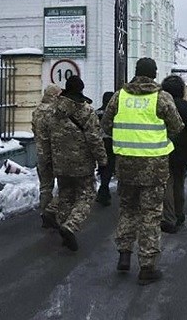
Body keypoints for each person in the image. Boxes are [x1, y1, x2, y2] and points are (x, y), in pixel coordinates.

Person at [100, 57, 184, 285]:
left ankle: (124, 254)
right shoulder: (162, 97)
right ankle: (147, 266)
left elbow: (105, 124)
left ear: (136, 72)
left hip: (126, 165)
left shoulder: (120, 96)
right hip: (154, 167)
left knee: (127, 209)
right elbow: (177, 127)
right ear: (154, 74)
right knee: (150, 214)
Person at [48, 77, 107, 252]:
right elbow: (94, 139)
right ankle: (70, 226)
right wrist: (102, 160)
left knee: (65, 194)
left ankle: (64, 226)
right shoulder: (86, 111)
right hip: (81, 164)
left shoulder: (53, 109)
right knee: (87, 195)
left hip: (60, 162)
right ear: (81, 89)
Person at [160, 75, 187, 231]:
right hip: (182, 151)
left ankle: (168, 218)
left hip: (164, 149)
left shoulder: (161, 105)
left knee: (167, 184)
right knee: (179, 183)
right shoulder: (186, 106)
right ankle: (179, 213)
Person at [32, 85, 60, 229]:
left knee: (45, 187)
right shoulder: (54, 111)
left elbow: (34, 130)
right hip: (55, 153)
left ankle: (44, 215)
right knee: (65, 185)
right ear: (54, 95)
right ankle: (53, 211)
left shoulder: (36, 111)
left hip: (41, 153)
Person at [95, 91, 116, 206]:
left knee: (103, 166)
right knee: (110, 166)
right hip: (111, 141)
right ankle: (104, 189)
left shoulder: (96, 112)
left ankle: (104, 189)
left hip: (99, 142)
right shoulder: (115, 114)